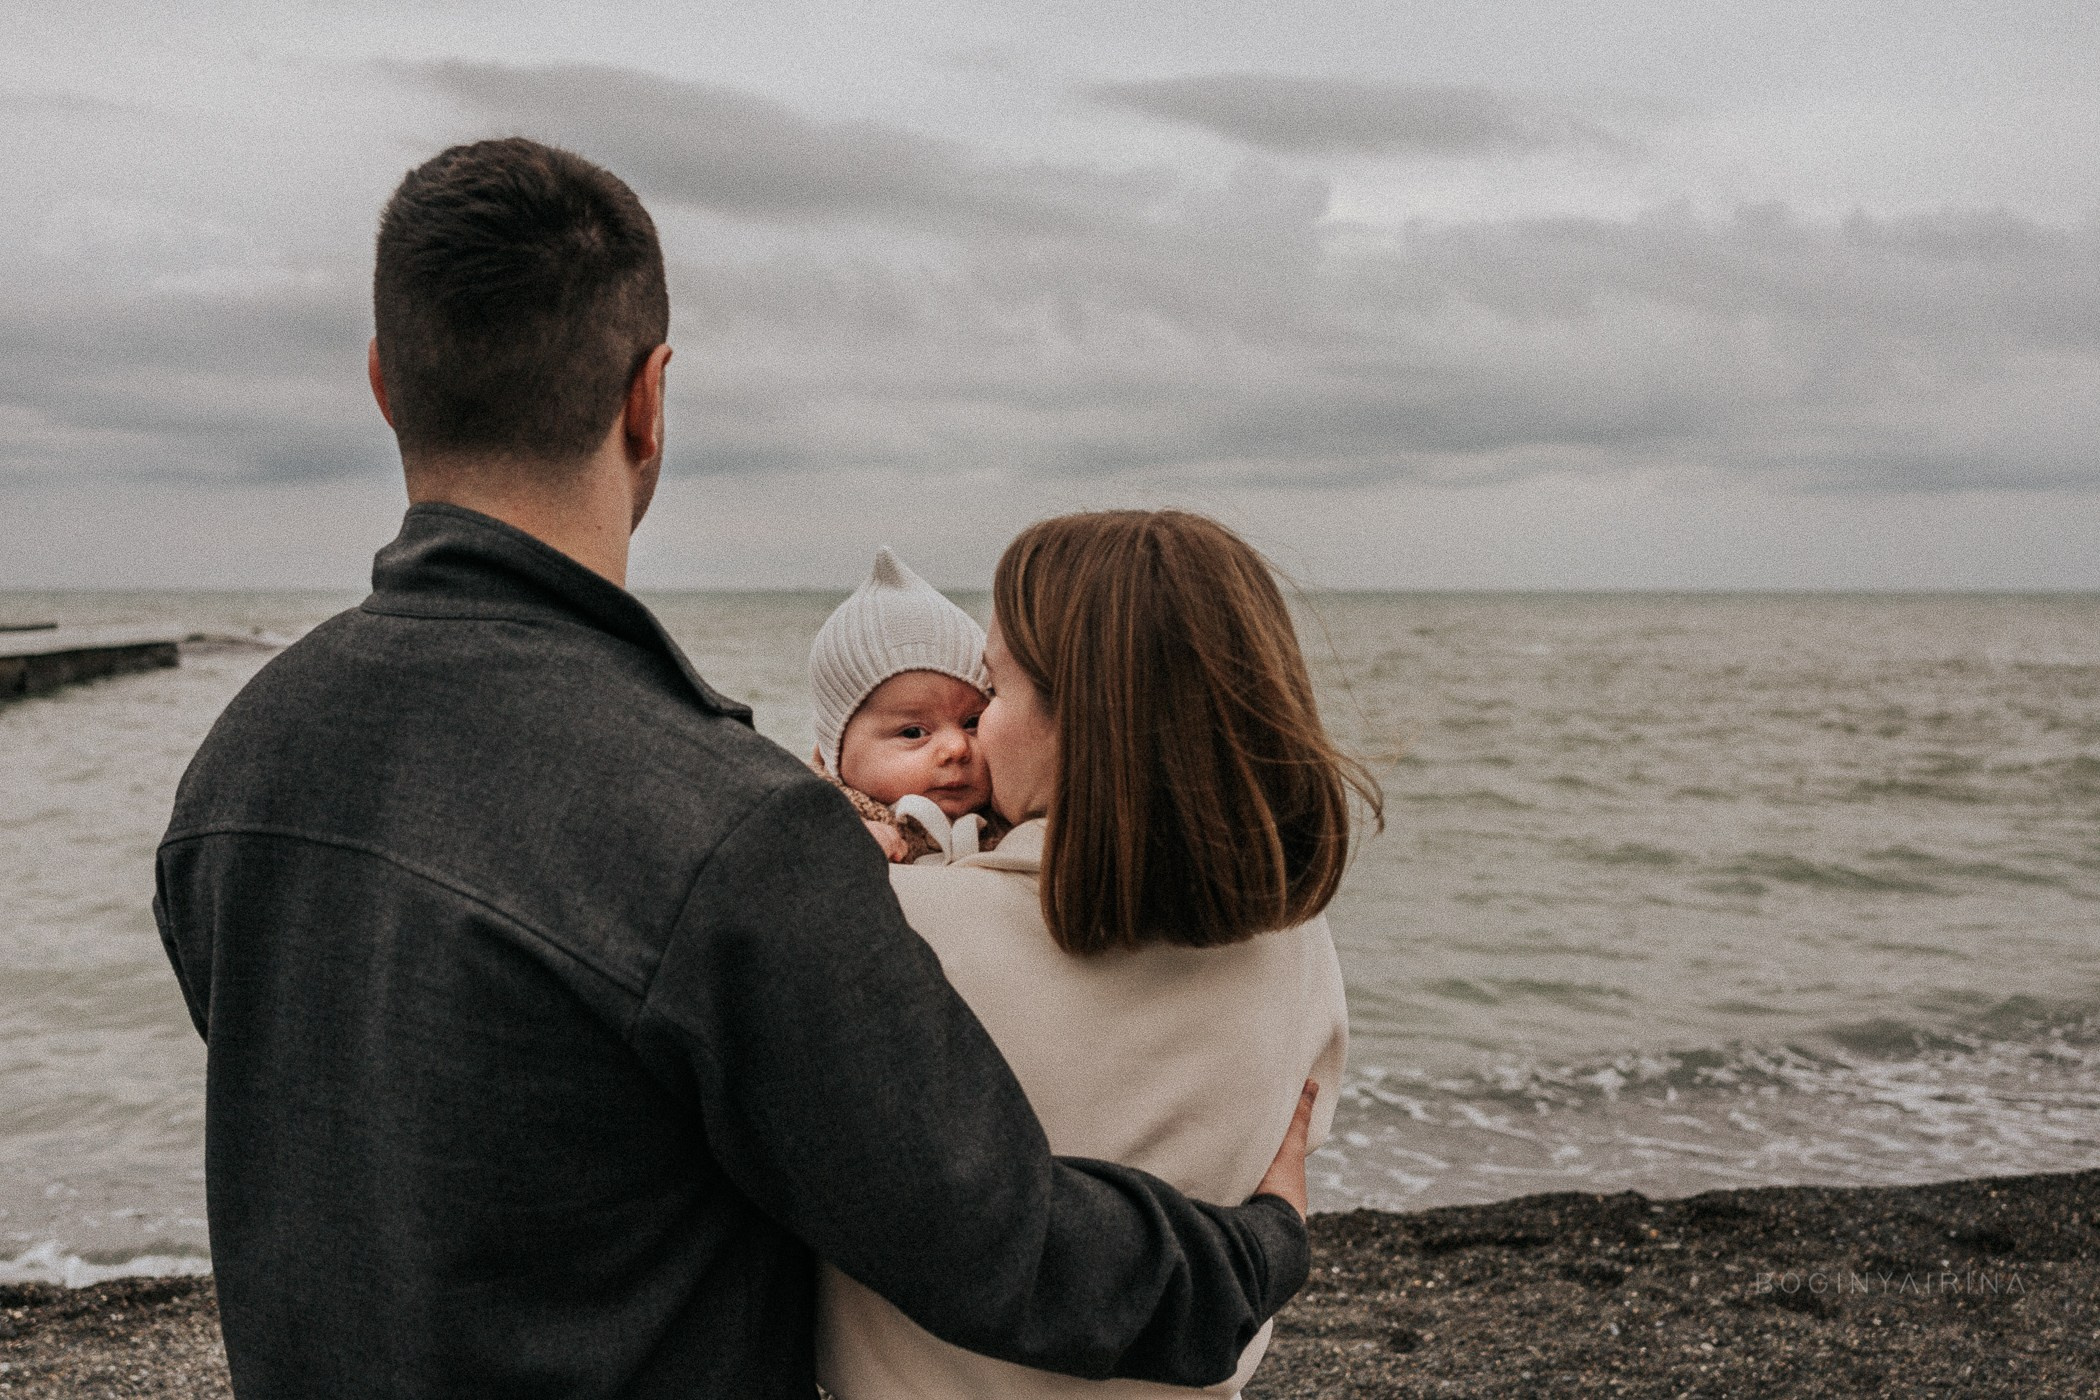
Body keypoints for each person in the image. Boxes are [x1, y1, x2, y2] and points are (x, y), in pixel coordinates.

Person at [153, 138, 1316, 1399]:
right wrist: (1258, 1247)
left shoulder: (239, 761)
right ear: (649, 398)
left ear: (384, 384)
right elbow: (996, 1242)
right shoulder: (731, 831)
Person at [818, 510, 1382, 1399]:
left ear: (1079, 716)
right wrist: (1276, 1233)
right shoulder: (1298, 942)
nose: (969, 739)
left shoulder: (889, 930)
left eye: (991, 695)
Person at [807, 546, 1001, 863]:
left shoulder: (1010, 817)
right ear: (832, 756)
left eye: (973, 723)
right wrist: (837, 841)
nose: (957, 747)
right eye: (913, 732)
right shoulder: (820, 817)